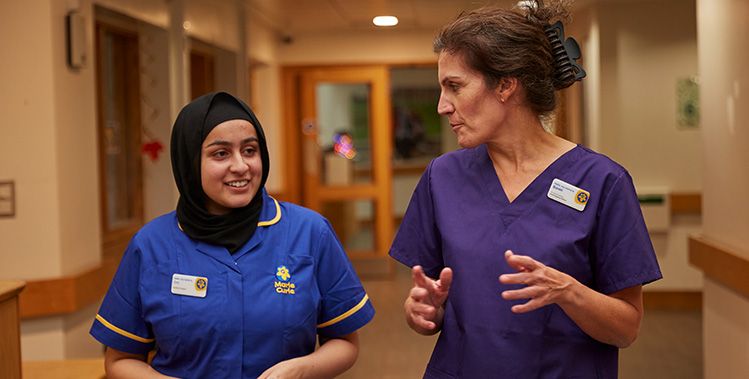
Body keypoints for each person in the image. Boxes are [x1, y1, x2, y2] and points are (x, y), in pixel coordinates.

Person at [389, 2, 662, 378]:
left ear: (505, 85)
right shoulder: (443, 177)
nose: (442, 106)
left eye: (454, 86)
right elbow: (425, 303)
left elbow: (626, 328)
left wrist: (568, 291)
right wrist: (422, 310)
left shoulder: (602, 182)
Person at [90, 92, 375, 378]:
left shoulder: (309, 232)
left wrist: (301, 369)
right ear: (189, 162)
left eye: (250, 150)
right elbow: (120, 360)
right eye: (220, 153)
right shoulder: (151, 245)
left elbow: (345, 342)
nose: (240, 166)